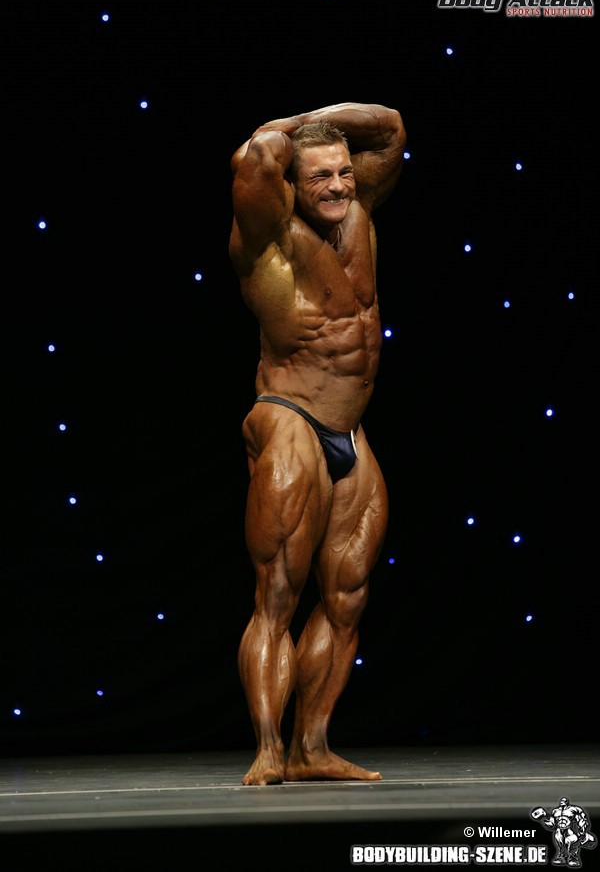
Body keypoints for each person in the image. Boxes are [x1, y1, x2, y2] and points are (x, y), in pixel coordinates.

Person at [229, 102, 406, 786]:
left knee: (347, 599)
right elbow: (255, 155)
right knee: (278, 594)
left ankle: (311, 747)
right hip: (289, 416)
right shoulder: (267, 239)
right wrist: (288, 133)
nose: (337, 186)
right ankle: (268, 749)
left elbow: (389, 126)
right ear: (291, 186)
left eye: (343, 172)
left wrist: (313, 129)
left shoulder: (359, 215)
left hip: (350, 431)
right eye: (320, 177)